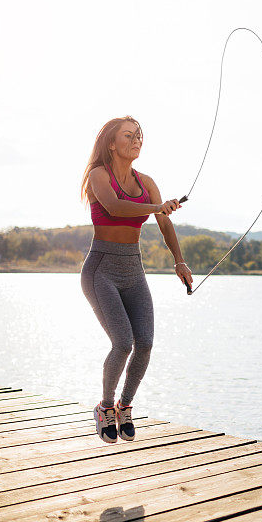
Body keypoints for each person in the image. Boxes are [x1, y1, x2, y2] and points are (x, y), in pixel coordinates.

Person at [80, 115, 193, 444]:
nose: (136, 141)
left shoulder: (146, 181)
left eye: (139, 136)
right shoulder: (97, 175)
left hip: (133, 268)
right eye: (128, 136)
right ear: (112, 143)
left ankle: (124, 406)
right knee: (123, 343)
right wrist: (158, 205)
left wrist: (179, 260)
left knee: (144, 343)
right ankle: (104, 408)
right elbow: (115, 208)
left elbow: (164, 223)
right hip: (101, 269)